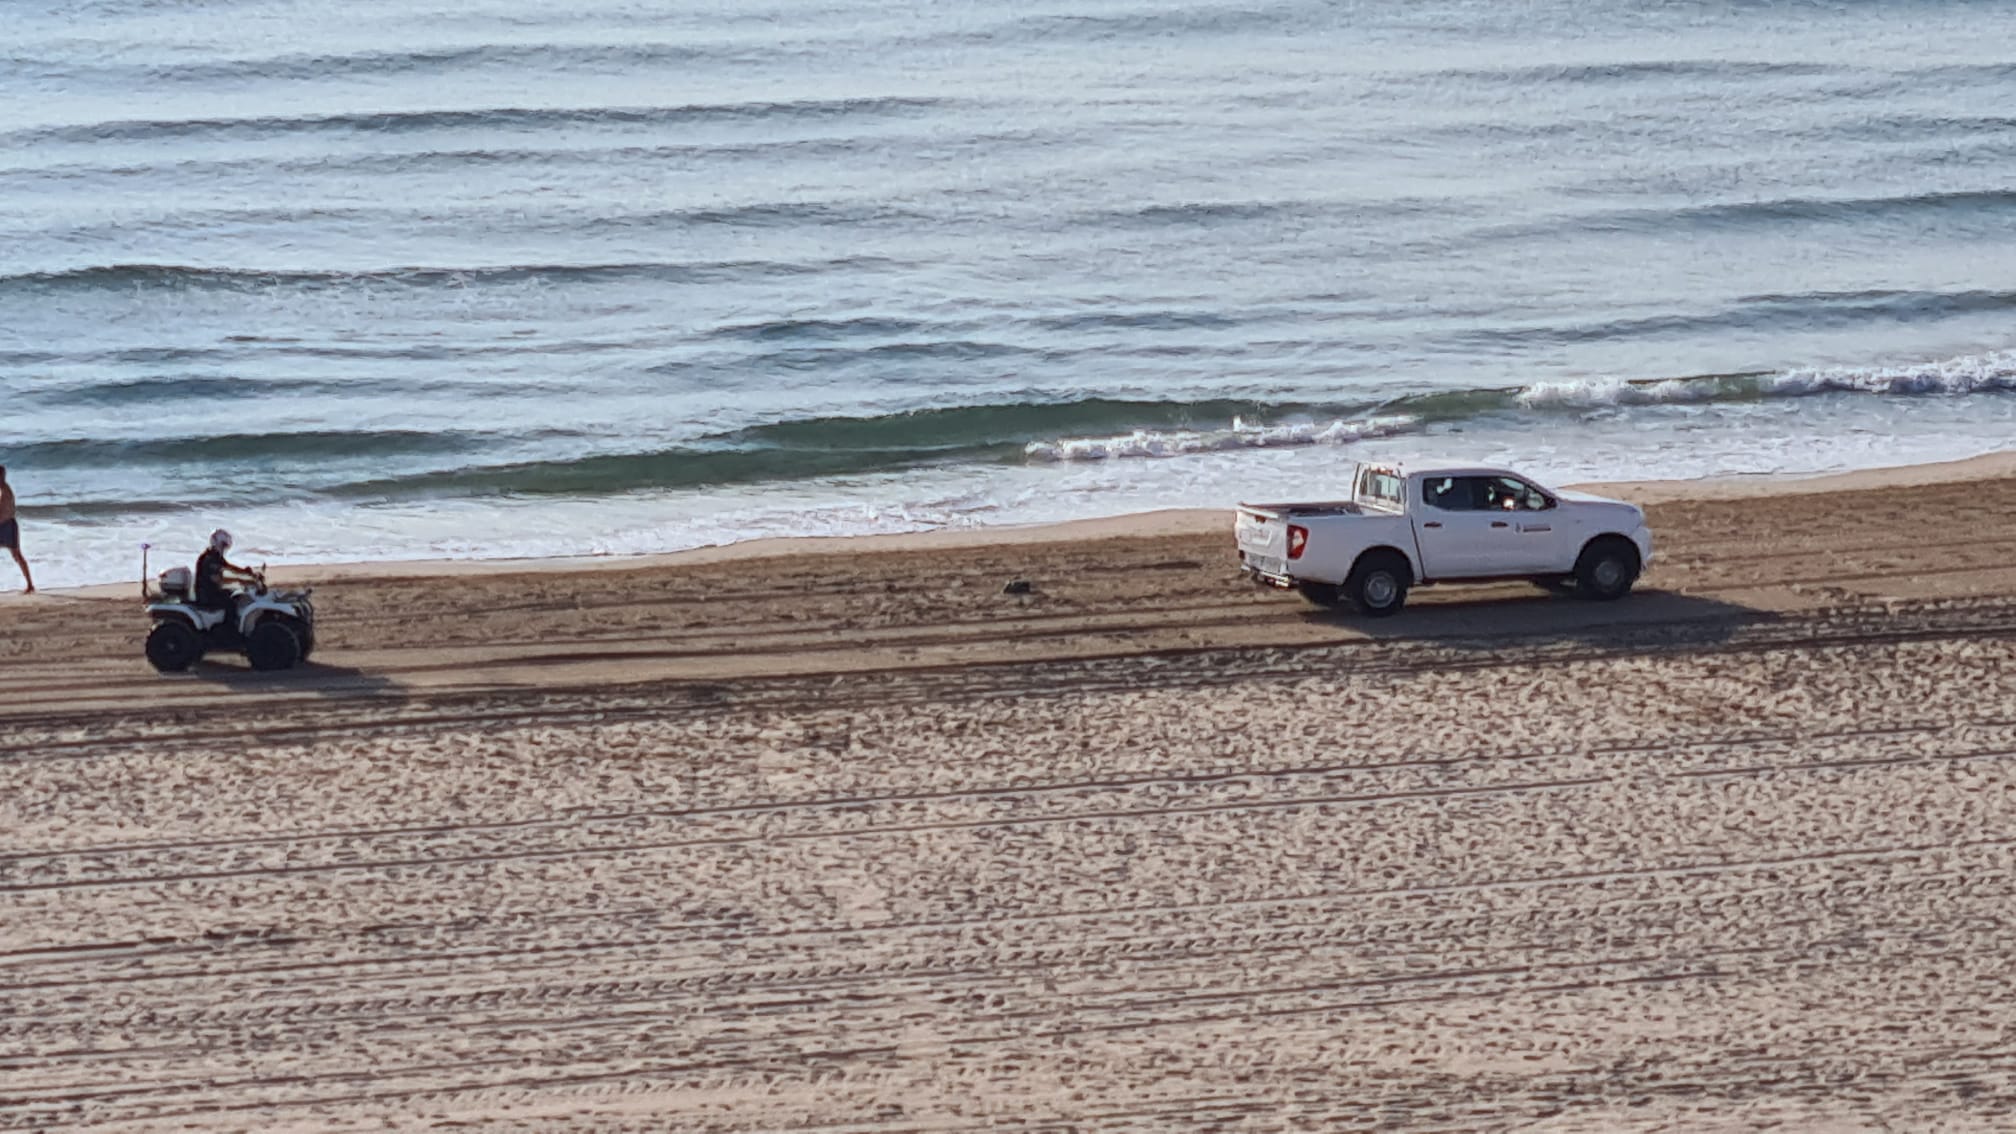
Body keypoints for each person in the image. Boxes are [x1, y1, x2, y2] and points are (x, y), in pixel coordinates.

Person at [194, 529, 258, 614]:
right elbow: (216, 579)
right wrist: (238, 581)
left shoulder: (216, 557)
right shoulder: (209, 559)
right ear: (216, 543)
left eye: (225, 546)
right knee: (231, 604)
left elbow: (229, 567)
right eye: (223, 545)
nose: (224, 548)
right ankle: (229, 623)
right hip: (207, 595)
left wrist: (245, 572)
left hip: (213, 592)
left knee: (237, 597)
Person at [0, 465, 32, 594]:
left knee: (17, 554)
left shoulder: (5, 491)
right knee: (16, 555)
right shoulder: (2, 489)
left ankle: (30, 585)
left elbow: (5, 512)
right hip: (4, 525)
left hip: (8, 526)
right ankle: (30, 585)